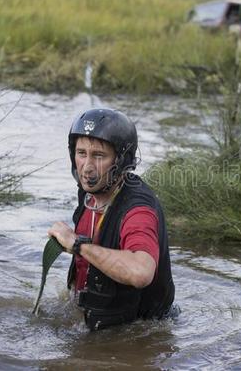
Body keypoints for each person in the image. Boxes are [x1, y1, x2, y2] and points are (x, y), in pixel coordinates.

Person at [48, 108, 175, 331]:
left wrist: (77, 244)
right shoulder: (90, 191)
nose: (87, 167)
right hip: (95, 320)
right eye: (81, 153)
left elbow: (141, 272)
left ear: (121, 160)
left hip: (138, 334)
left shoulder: (138, 211)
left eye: (99, 156)